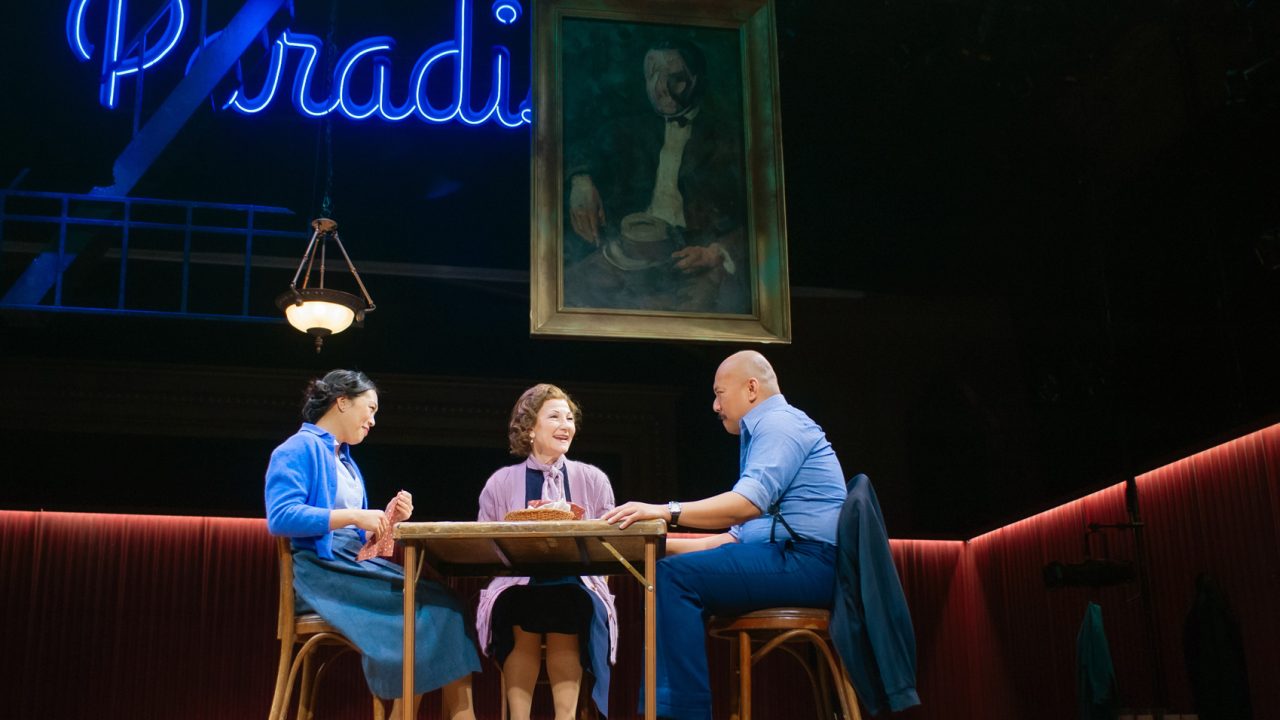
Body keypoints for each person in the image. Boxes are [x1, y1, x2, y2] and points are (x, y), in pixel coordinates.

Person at [604, 351, 847, 720]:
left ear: (752, 388)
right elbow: (733, 539)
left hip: (808, 562)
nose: (715, 405)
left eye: (720, 393)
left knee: (676, 581)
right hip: (789, 558)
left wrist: (664, 511)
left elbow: (745, 504)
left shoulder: (779, 425)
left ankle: (681, 714)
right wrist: (645, 547)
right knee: (668, 571)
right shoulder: (763, 432)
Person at [264, 369, 480, 719]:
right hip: (323, 574)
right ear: (342, 402)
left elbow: (357, 537)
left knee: (446, 603)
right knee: (435, 605)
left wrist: (385, 522)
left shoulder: (346, 461)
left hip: (351, 565)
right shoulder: (297, 448)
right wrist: (354, 516)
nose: (373, 420)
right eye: (371, 408)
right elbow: (282, 517)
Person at [562, 37, 749, 314]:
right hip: (627, 252)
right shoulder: (631, 129)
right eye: (652, 76)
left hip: (691, 260)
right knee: (567, 289)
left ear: (696, 80)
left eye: (675, 78)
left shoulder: (728, 139)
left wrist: (716, 252)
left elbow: (762, 219)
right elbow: (581, 148)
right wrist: (580, 181)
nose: (660, 89)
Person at [475, 383, 618, 720]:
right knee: (519, 609)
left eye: (569, 418)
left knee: (568, 605)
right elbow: (486, 544)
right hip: (518, 583)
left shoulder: (593, 479)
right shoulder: (501, 482)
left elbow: (607, 545)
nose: (565, 425)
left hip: (576, 583)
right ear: (530, 428)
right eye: (554, 417)